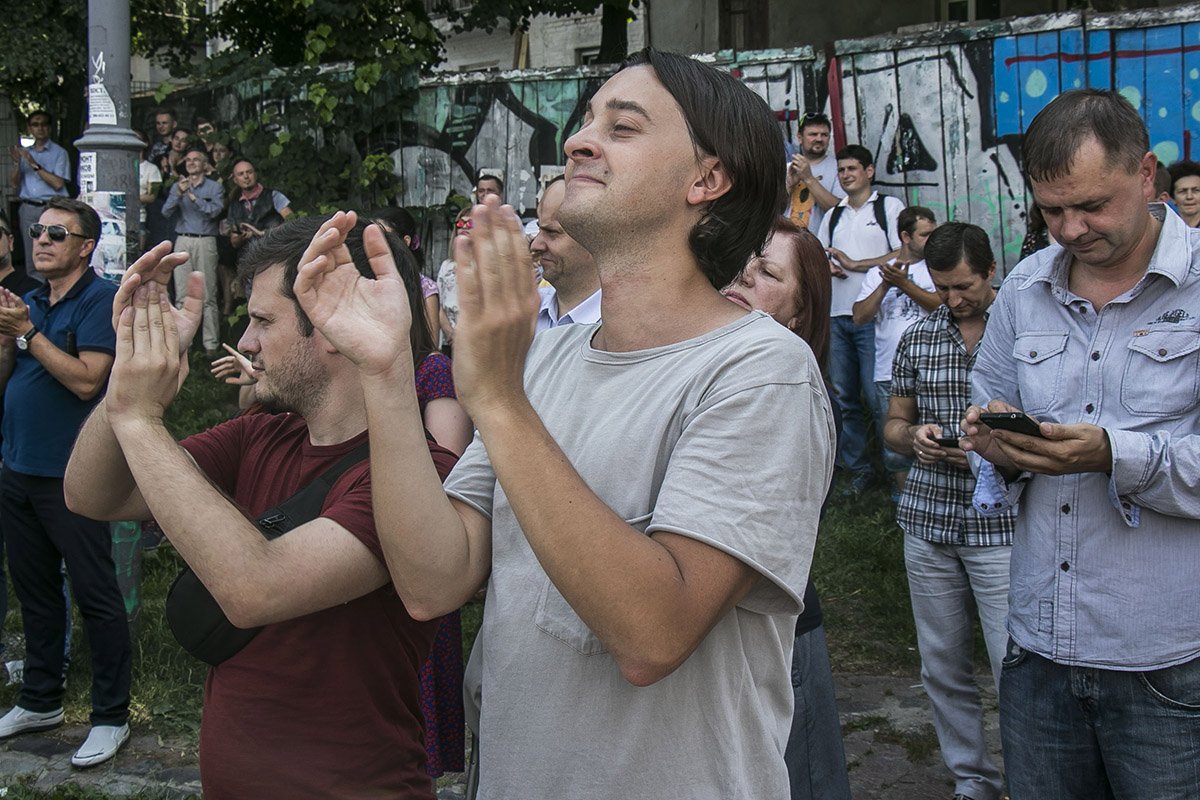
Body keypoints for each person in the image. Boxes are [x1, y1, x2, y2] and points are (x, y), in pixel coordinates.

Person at [293, 48, 834, 799]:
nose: (579, 140)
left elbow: (653, 635)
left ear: (706, 179)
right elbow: (431, 580)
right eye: (586, 122)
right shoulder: (545, 359)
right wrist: (385, 373)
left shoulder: (760, 370)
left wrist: (499, 400)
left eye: (623, 126)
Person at [63, 218, 458, 798]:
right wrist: (124, 386)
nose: (245, 343)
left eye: (263, 321)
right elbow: (93, 496)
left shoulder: (420, 478)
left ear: (333, 327)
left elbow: (256, 589)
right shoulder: (260, 434)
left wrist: (140, 420)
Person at [961, 88, 1200, 798]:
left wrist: (1112, 455)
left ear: (1146, 175)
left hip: (1169, 657)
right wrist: (996, 448)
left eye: (1091, 205)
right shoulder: (1025, 288)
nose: (1069, 229)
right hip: (1038, 650)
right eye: (1051, 210)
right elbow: (987, 410)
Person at [722, 217, 851, 800]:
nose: (744, 278)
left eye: (768, 273)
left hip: (775, 635)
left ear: (800, 314)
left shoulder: (796, 398)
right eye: (741, 263)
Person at [883, 222, 1013, 800]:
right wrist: (914, 438)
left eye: (964, 287)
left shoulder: (1025, 330)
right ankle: (973, 781)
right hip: (929, 518)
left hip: (1004, 524)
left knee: (1015, 664)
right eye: (942, 288)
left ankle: (1032, 777)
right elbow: (893, 423)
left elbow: (1056, 425)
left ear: (990, 271)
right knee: (941, 663)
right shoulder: (918, 336)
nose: (954, 299)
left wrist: (995, 452)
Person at [0, 198, 131, 769]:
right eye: (38, 230)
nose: (42, 240)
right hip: (18, 466)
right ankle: (40, 699)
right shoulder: (29, 301)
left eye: (58, 233)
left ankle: (111, 715)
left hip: (73, 474)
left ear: (85, 247)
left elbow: (86, 381)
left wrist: (28, 334)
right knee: (34, 593)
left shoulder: (101, 300)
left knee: (95, 595)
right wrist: (7, 338)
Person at [817, 144, 903, 493]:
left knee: (877, 396)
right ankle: (859, 470)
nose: (845, 175)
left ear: (869, 171)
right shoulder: (834, 215)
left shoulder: (888, 207)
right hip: (836, 314)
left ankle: (895, 470)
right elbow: (820, 254)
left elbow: (902, 252)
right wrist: (828, 266)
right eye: (841, 170)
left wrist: (856, 265)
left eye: (852, 168)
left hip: (873, 317)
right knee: (845, 398)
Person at [852, 205, 940, 496]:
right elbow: (859, 316)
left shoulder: (938, 266)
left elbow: (943, 306)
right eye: (925, 235)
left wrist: (905, 284)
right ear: (905, 236)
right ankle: (904, 503)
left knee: (934, 437)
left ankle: (934, 498)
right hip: (888, 371)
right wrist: (885, 286)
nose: (932, 239)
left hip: (931, 369)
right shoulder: (879, 273)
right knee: (895, 445)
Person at [161, 146, 224, 357]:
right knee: (181, 293)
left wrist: (194, 198)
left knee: (208, 294)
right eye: (188, 160)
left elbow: (214, 212)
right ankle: (183, 343)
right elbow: (166, 211)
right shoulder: (178, 186)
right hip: (183, 239)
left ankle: (211, 346)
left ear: (205, 165)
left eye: (196, 159)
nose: (191, 163)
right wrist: (178, 194)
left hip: (205, 240)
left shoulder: (214, 187)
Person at [530, 175, 600, 333]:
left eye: (552, 232)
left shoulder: (626, 329)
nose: (536, 245)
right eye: (539, 229)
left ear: (595, 238)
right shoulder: (524, 312)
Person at [9, 110, 71, 283]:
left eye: (44, 124)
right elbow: (13, 183)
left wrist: (33, 163)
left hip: (51, 207)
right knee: (33, 256)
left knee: (54, 253)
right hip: (29, 207)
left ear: (50, 128)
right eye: (35, 125)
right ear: (30, 128)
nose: (40, 128)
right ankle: (36, 293)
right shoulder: (24, 153)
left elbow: (58, 183)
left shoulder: (59, 153)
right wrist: (17, 163)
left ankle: (56, 289)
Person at [785, 112, 845, 232]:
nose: (819, 139)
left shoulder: (839, 168)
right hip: (787, 240)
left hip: (820, 242)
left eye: (824, 135)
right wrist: (789, 185)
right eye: (813, 134)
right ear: (800, 137)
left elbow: (840, 213)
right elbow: (771, 211)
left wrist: (809, 178)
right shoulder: (787, 168)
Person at [226, 159, 292, 250]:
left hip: (276, 250)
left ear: (255, 174)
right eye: (241, 174)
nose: (246, 176)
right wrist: (242, 237)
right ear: (235, 180)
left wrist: (266, 233)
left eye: (249, 172)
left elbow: (292, 221)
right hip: (249, 255)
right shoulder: (234, 206)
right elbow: (234, 242)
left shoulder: (274, 195)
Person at [436, 207, 471, 349]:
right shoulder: (447, 266)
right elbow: (438, 304)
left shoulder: (485, 267)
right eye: (460, 223)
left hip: (474, 339)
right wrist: (450, 334)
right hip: (448, 339)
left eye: (470, 223)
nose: (464, 227)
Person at [1168, 159, 1200, 227]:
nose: (1189, 197)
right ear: (1172, 198)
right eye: (1182, 191)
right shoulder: (1165, 229)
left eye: (1196, 190)